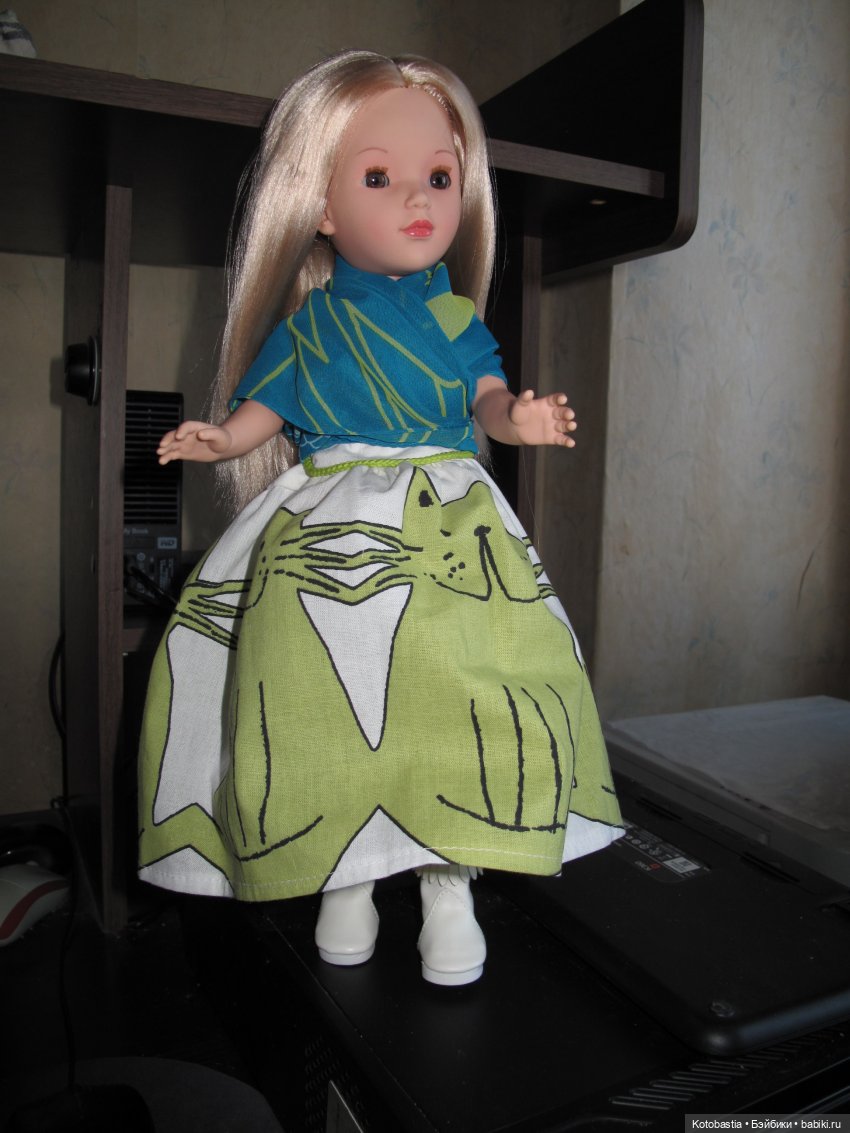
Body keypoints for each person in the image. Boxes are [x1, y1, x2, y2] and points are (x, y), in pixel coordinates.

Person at [137, 49, 623, 987]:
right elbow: (263, 412)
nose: (416, 199)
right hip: (331, 519)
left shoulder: (452, 316)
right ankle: (345, 879)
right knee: (319, 692)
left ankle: (449, 887)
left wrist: (517, 418)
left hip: (449, 517)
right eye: (377, 178)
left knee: (462, 693)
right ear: (318, 205)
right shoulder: (311, 326)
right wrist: (219, 437)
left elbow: (486, 396)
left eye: (439, 177)